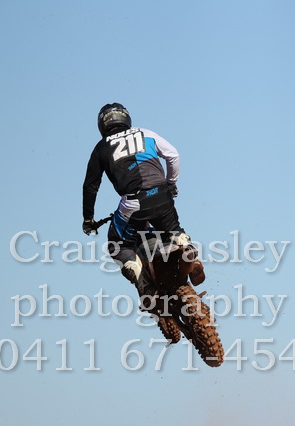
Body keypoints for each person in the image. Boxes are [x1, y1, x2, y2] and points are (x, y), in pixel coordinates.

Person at [82, 102, 204, 297]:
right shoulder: (146, 133)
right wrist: (171, 183)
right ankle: (189, 250)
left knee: (117, 245)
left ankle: (144, 286)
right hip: (162, 195)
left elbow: (90, 186)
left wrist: (88, 218)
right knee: (173, 229)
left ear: (102, 125)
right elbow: (173, 155)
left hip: (134, 203)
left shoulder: (101, 147)